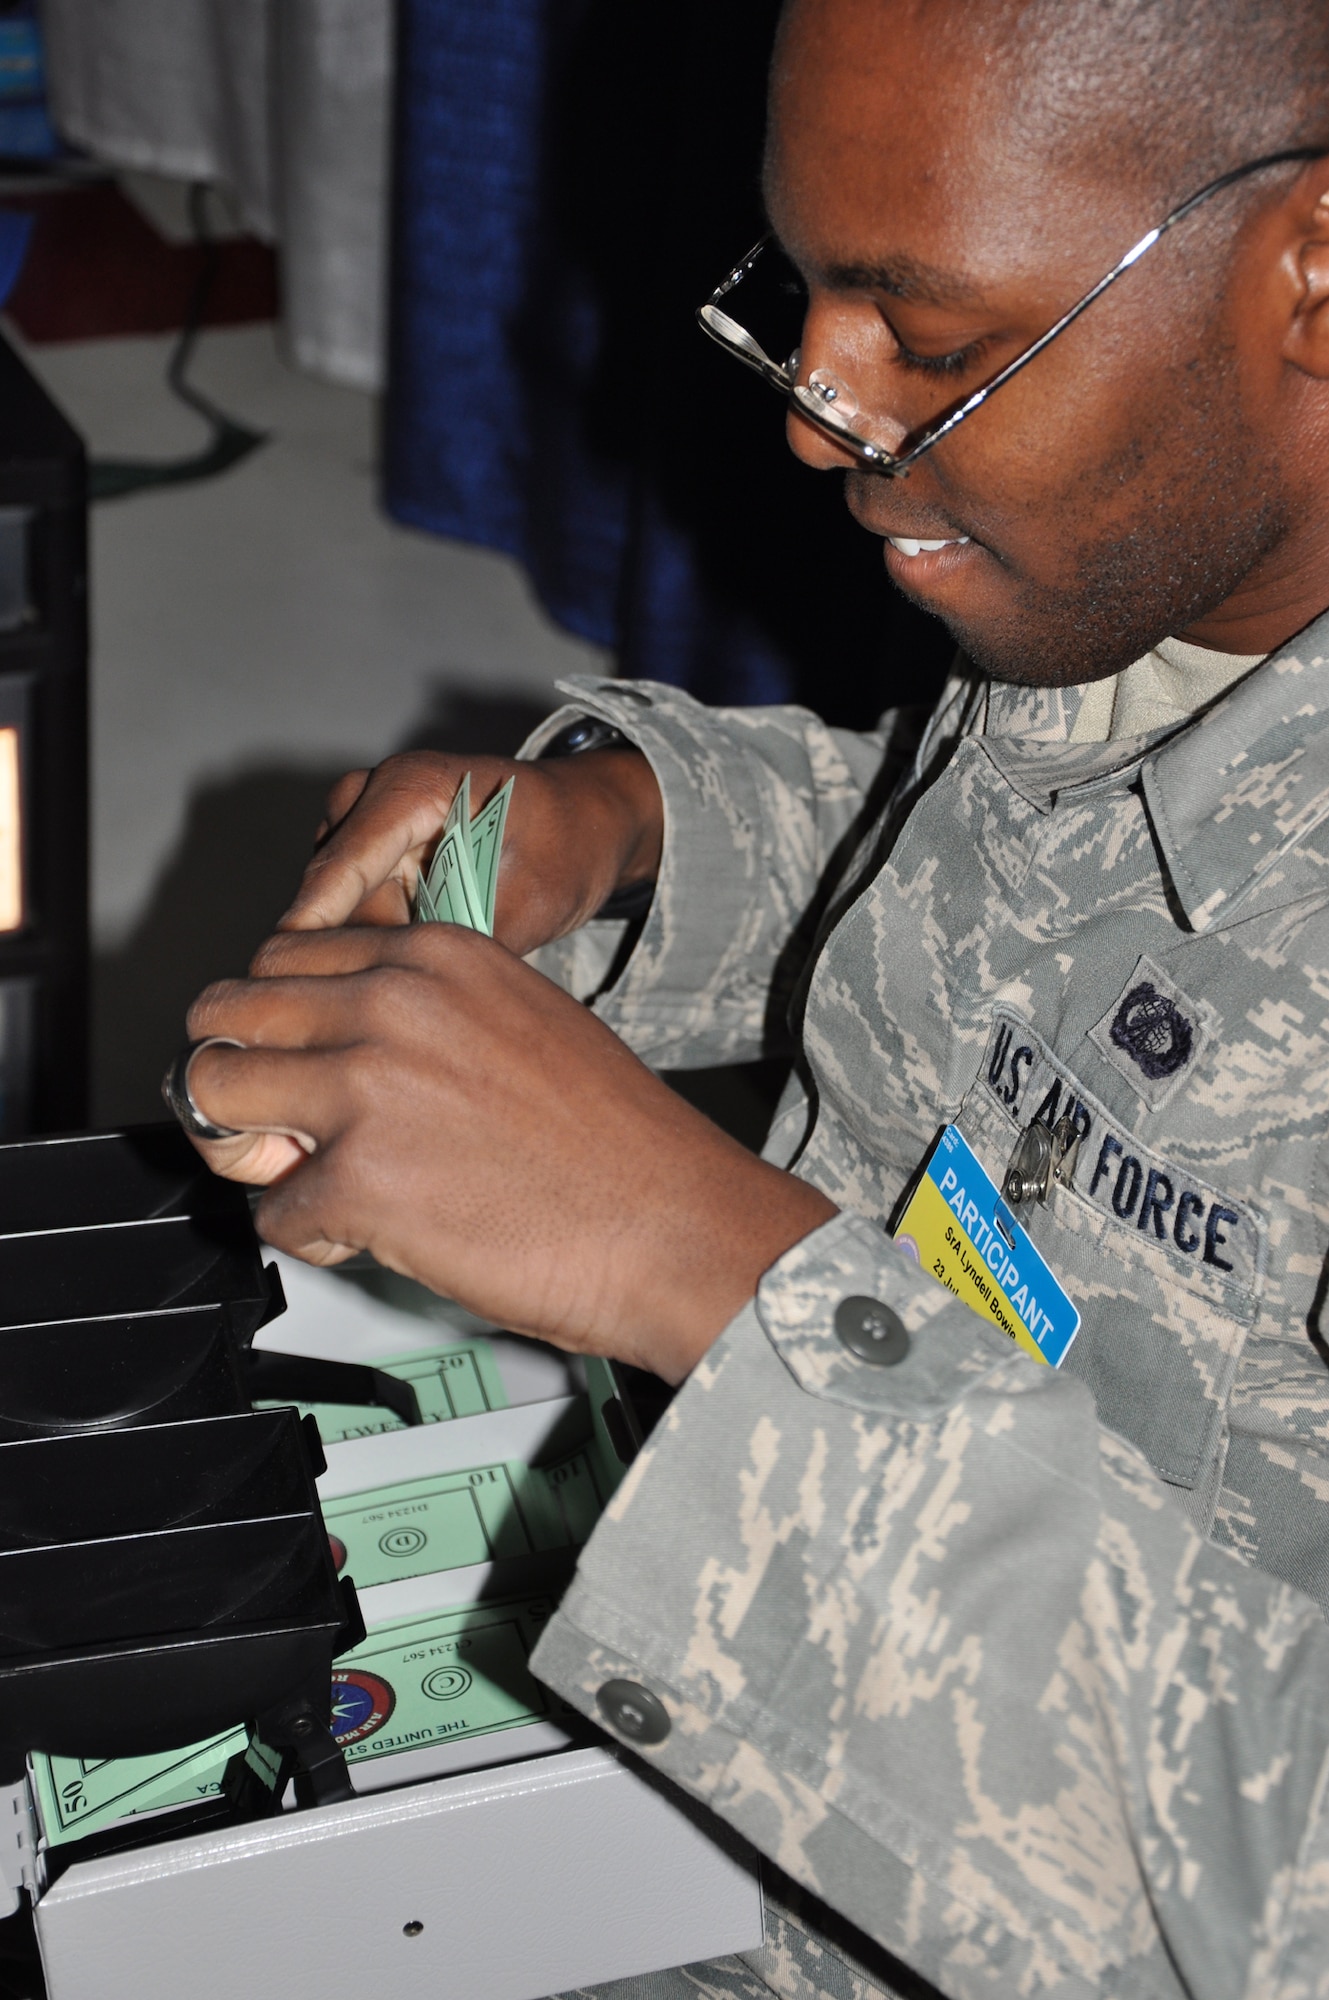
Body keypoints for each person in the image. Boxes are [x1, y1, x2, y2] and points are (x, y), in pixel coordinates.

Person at [174, 0, 1329, 1992]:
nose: (817, 410)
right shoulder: (1154, 564)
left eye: (931, 343)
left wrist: (703, 1274)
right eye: (801, 294)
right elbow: (1022, 891)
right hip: (713, 1759)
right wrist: (627, 831)